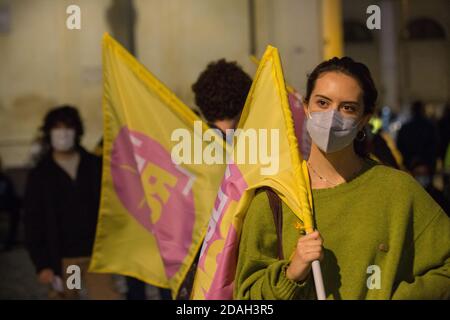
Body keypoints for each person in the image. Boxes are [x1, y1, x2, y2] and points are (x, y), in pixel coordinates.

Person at [235, 57, 450, 299]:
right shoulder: (275, 197)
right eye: (322, 103)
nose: (331, 116)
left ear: (364, 120)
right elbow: (246, 297)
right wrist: (291, 274)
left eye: (347, 108)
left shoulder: (397, 190)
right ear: (306, 107)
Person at [24, 105, 120, 299]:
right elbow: (33, 222)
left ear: (77, 131)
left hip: (96, 256)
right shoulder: (41, 174)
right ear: (48, 132)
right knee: (69, 296)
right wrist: (42, 264)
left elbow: (113, 204)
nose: (63, 133)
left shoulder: (94, 165)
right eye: (57, 128)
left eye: (68, 127)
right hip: (68, 259)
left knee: (106, 295)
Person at [176, 59, 252, 299]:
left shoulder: (185, 150)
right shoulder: (250, 152)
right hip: (231, 268)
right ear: (244, 102)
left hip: (188, 271)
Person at [397, 100, 439, 171]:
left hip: (410, 164)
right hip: (427, 164)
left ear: (412, 111)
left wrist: (410, 159)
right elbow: (435, 145)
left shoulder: (405, 127)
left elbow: (400, 145)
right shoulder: (430, 126)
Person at [0, 157, 21, 251]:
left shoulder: (4, 178)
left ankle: (9, 243)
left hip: (5, 203)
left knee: (15, 210)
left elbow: (11, 194)